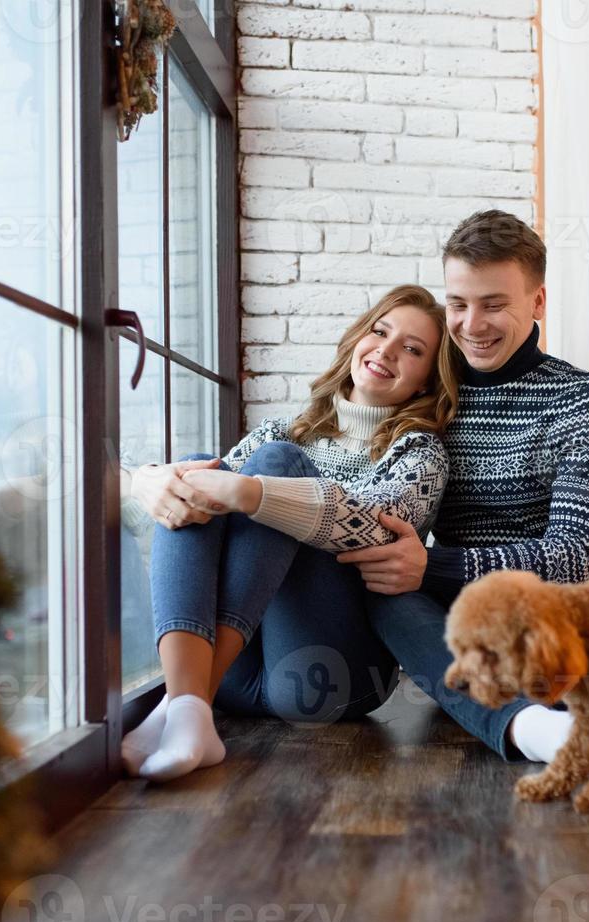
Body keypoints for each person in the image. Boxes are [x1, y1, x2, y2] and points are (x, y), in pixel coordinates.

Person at [335, 212, 589, 906]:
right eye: (457, 304)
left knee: (398, 586)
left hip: (531, 624)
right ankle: (523, 725)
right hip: (433, 620)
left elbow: (575, 557)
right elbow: (339, 444)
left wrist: (434, 568)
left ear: (537, 302)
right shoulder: (428, 386)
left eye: (493, 304)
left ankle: (528, 724)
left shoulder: (577, 401)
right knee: (381, 584)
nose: (471, 324)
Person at [118, 284, 462, 782]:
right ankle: (188, 708)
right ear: (356, 340)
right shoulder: (283, 429)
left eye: (412, 349)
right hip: (229, 676)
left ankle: (181, 706)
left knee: (279, 470)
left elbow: (374, 530)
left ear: (427, 382)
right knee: (197, 467)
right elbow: (199, 503)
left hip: (324, 677)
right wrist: (145, 480)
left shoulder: (419, 454)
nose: (387, 351)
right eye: (380, 331)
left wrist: (259, 494)